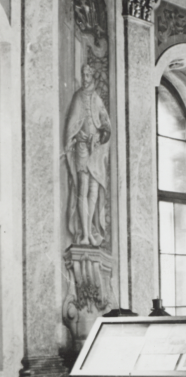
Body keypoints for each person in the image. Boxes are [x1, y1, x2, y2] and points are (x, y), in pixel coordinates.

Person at [64, 62, 112, 247]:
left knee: (94, 190)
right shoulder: (77, 97)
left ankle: (91, 232)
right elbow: (70, 127)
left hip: (96, 151)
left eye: (88, 75)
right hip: (82, 148)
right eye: (83, 75)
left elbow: (106, 125)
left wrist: (100, 135)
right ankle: (84, 233)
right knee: (82, 189)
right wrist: (78, 135)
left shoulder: (98, 99)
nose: (85, 79)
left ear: (92, 76)